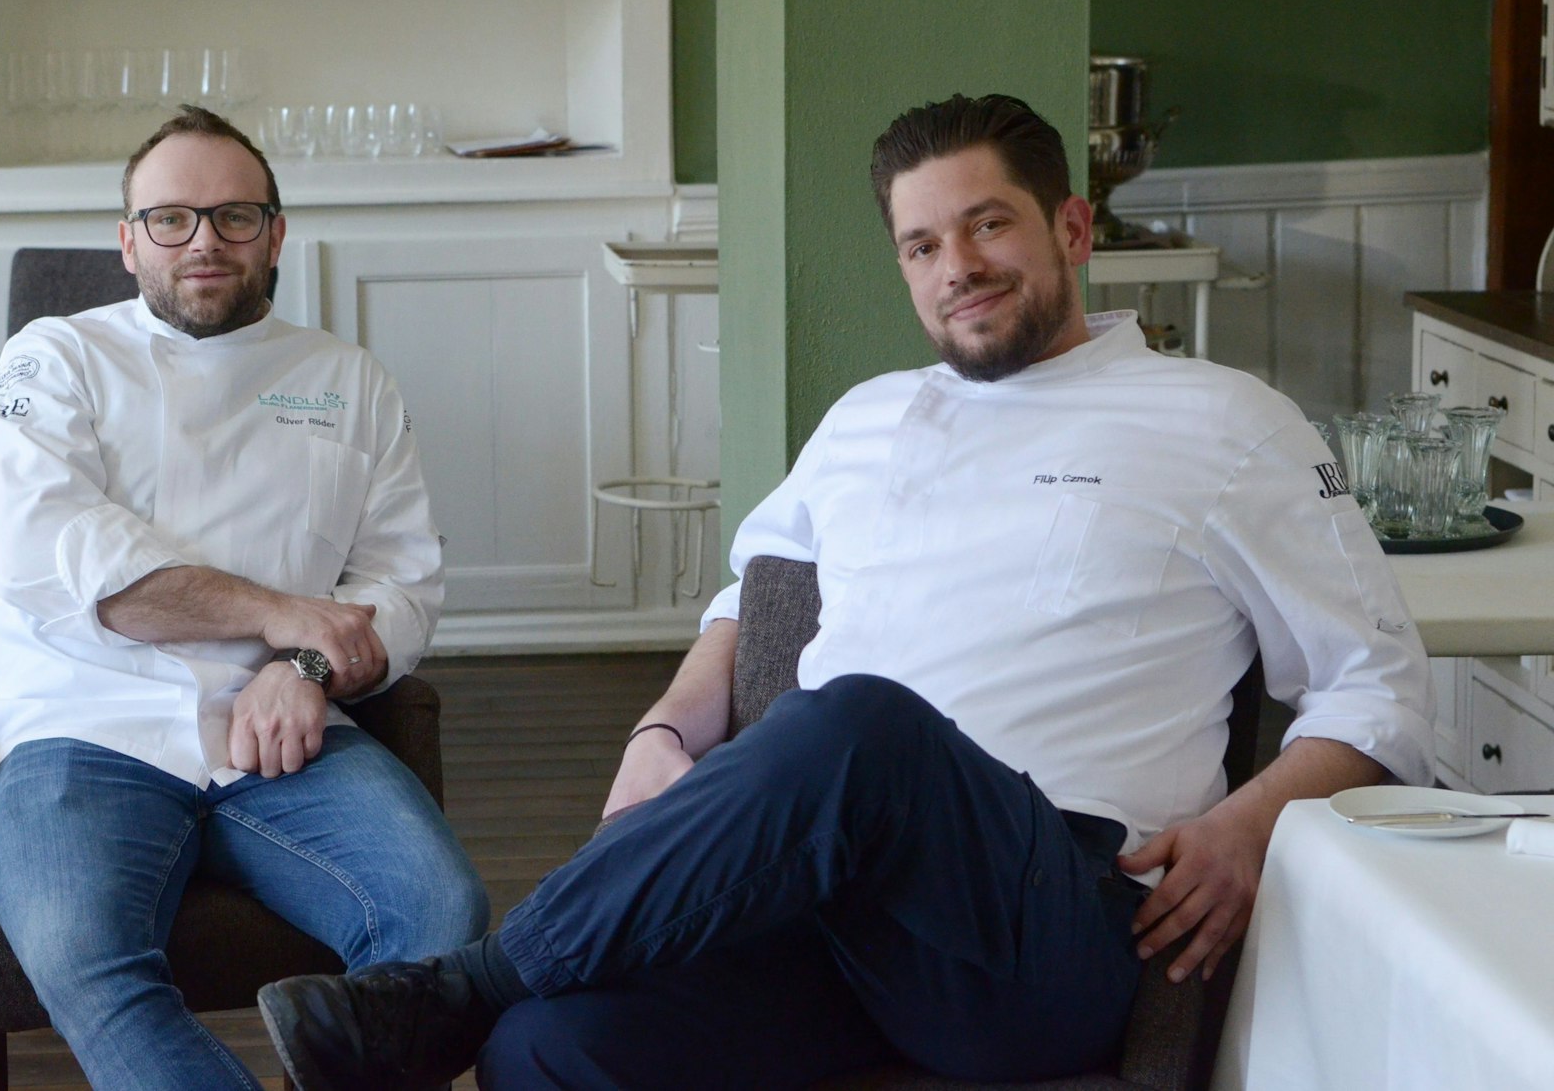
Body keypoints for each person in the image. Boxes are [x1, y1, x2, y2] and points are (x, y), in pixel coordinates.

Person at [254, 93, 1433, 1091]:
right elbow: (748, 604)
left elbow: (1377, 687)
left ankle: (465, 982)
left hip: (1044, 925)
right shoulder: (867, 418)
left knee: (861, 720)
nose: (956, 267)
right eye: (921, 245)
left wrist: (1247, 820)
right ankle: (492, 1004)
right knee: (548, 1047)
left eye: (987, 226)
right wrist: (663, 727)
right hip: (822, 914)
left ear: (1070, 227)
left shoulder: (1224, 420)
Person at [0, 106, 488, 1090]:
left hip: (285, 730)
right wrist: (285, 618)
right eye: (170, 219)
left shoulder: (347, 379)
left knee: (438, 914)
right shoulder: (54, 358)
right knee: (83, 957)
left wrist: (303, 666)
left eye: (233, 216)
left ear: (276, 233)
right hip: (74, 723)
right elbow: (64, 560)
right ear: (127, 242)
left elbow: (401, 579)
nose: (202, 241)